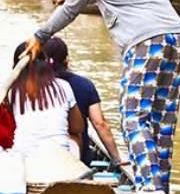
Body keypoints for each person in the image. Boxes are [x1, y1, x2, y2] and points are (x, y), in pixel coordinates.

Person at [27, 0, 180, 194]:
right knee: (162, 118)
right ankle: (162, 187)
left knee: (132, 115)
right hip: (177, 36)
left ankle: (150, 188)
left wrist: (40, 36)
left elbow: (69, 11)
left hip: (145, 41)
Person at [44, 37, 123, 166]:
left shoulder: (33, 86)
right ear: (66, 60)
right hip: (78, 156)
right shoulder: (84, 85)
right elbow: (99, 123)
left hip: (40, 152)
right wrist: (117, 158)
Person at [7, 42, 85, 157]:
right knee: (76, 137)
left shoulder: (11, 91)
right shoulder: (64, 86)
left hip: (24, 155)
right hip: (59, 156)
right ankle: (75, 166)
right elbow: (78, 127)